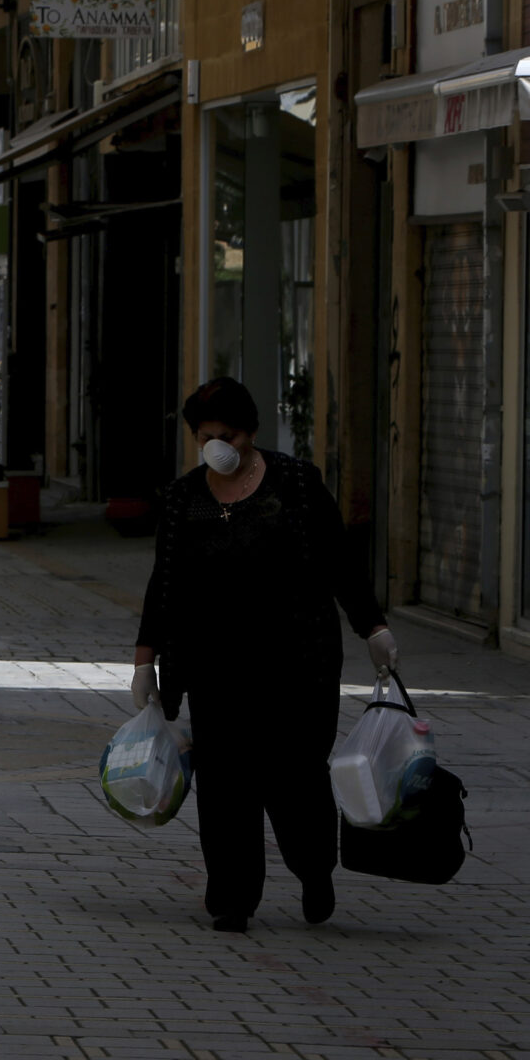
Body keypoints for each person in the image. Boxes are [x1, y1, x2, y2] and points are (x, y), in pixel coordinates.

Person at [132, 377, 397, 933]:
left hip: (297, 662)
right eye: (204, 436)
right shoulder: (184, 500)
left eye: (225, 435)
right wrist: (144, 659)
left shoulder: (296, 484)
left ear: (250, 433)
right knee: (226, 785)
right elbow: (165, 584)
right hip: (215, 666)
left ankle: (314, 867)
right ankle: (232, 897)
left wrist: (371, 626)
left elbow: (339, 563)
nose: (214, 446)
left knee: (294, 778)